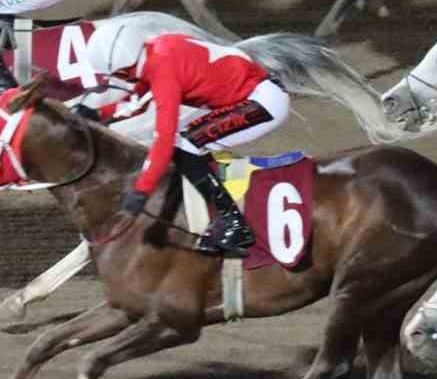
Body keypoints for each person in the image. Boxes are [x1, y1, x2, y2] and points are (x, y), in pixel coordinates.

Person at [82, 23, 291, 258]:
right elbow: (140, 100)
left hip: (262, 103)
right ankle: (217, 207)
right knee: (186, 142)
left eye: (117, 74)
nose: (119, 78)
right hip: (252, 94)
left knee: (185, 144)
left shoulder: (163, 73)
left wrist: (142, 190)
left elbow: (164, 137)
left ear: (123, 66)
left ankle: (235, 224)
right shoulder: (157, 49)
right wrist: (99, 114)